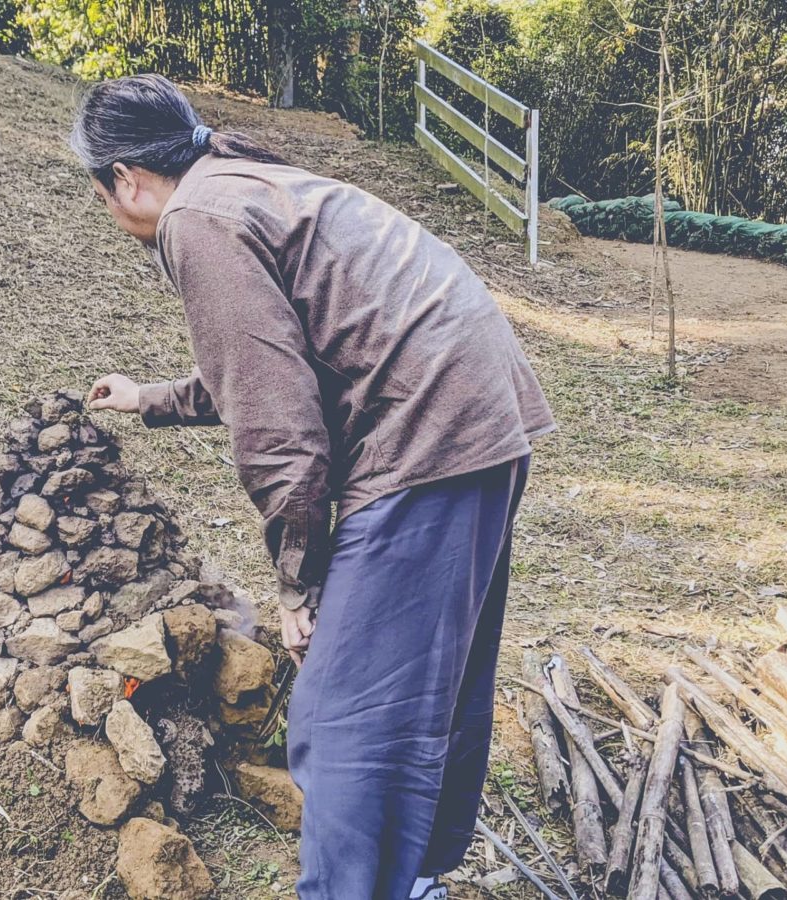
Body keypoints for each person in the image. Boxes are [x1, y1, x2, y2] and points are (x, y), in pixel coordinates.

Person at [71, 74, 554, 900]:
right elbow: (264, 365)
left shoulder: (197, 217)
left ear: (124, 178)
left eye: (101, 196)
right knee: (427, 684)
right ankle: (410, 882)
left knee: (343, 718)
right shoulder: (243, 184)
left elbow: (278, 428)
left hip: (424, 429)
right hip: (473, 411)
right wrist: (149, 398)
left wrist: (300, 579)